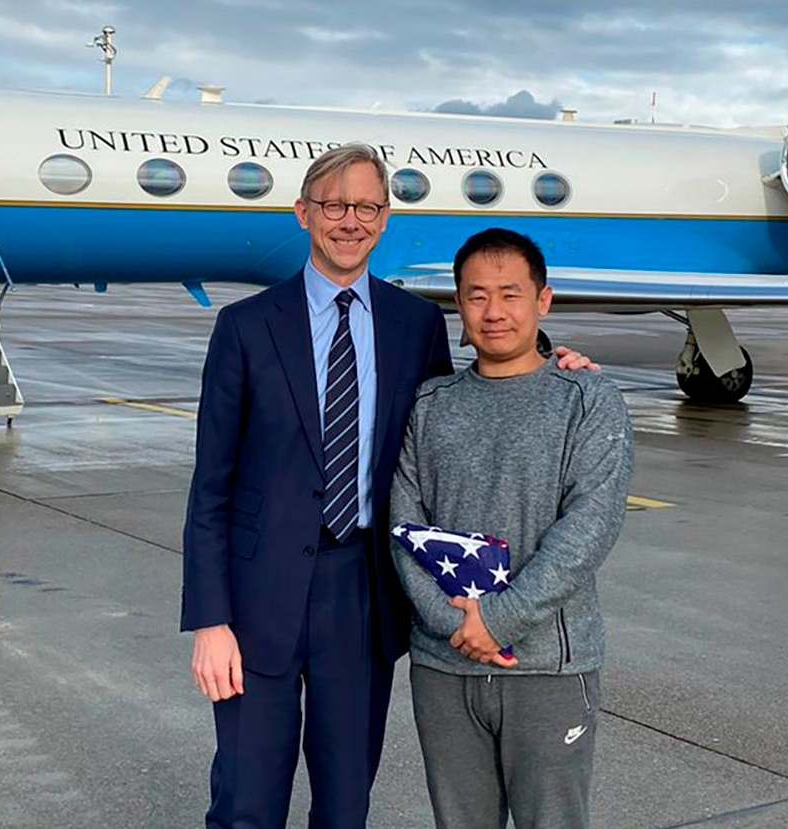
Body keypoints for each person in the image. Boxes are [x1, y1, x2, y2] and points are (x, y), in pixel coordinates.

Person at [181, 145, 595, 829]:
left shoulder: (416, 325)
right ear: (304, 213)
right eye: (335, 204)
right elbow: (211, 488)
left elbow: (468, 398)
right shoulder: (247, 327)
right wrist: (210, 620)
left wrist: (557, 362)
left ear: (384, 218)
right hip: (258, 601)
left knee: (345, 807)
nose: (351, 219)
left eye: (367, 205)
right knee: (246, 803)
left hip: (363, 595)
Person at [390, 228, 633, 829]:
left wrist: (496, 621)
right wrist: (455, 626)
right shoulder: (429, 404)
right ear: (458, 304)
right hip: (444, 665)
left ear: (542, 301)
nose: (493, 312)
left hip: (549, 666)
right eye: (476, 296)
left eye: (510, 294)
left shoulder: (587, 399)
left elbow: (589, 527)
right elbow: (404, 525)